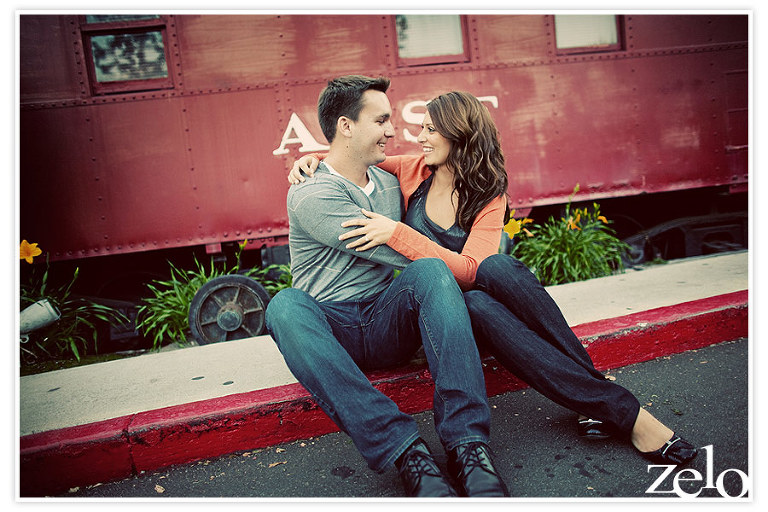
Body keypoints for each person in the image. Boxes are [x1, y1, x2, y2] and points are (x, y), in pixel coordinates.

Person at [288, 90, 699, 467]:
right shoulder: (409, 170)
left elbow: (472, 272)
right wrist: (310, 162)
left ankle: (602, 402)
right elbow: (350, 160)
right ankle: (616, 406)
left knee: (495, 272)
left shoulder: (488, 195)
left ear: (459, 136)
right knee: (476, 298)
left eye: (431, 130)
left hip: (475, 305)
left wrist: (400, 233)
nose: (418, 137)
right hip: (439, 315)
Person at [265, 76, 510, 498]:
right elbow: (394, 252)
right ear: (346, 126)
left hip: (384, 319)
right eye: (380, 120)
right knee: (285, 305)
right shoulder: (312, 193)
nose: (393, 130)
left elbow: (423, 235)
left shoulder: (389, 180)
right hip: (332, 327)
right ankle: (407, 453)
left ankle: (469, 445)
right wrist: (313, 161)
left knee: (431, 271)